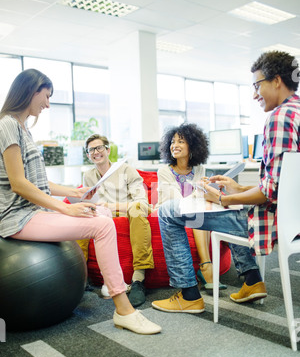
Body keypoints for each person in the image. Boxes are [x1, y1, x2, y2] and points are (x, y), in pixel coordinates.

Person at [0, 68, 161, 335]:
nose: (48, 104)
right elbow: (18, 183)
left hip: (33, 212)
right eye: (47, 96)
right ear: (32, 90)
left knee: (101, 213)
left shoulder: (21, 128)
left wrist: (74, 193)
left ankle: (112, 284)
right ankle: (124, 309)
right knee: (101, 225)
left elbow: (37, 182)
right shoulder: (7, 124)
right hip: (18, 217)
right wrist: (65, 208)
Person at [152, 50, 300, 314]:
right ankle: (252, 281)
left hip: (274, 222)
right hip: (292, 217)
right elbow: (283, 185)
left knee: (167, 213)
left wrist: (222, 198)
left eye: (257, 85)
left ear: (276, 80)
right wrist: (239, 189)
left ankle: (188, 294)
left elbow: (270, 192)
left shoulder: (280, 118)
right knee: (232, 203)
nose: (255, 94)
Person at [84, 134, 154, 307]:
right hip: (103, 215)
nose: (96, 152)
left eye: (99, 148)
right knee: (80, 215)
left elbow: (142, 202)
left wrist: (109, 205)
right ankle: (81, 276)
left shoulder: (126, 170)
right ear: (87, 155)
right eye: (91, 150)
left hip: (128, 212)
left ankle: (138, 279)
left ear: (108, 150)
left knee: (137, 210)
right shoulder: (88, 176)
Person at [157, 123, 227, 291]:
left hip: (193, 210)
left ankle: (206, 266)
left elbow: (201, 197)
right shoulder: (164, 171)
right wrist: (198, 191)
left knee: (202, 209)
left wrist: (204, 189)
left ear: (193, 145)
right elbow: (177, 200)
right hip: (171, 211)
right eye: (173, 142)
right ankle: (206, 267)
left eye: (181, 141)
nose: (175, 145)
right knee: (198, 210)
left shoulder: (199, 169)